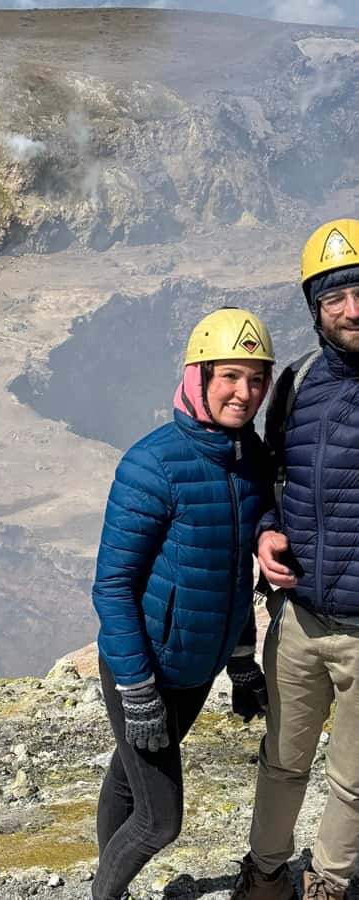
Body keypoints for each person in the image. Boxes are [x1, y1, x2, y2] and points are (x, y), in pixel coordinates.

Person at [90, 308, 275, 900]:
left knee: (128, 782)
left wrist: (242, 660)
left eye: (256, 379)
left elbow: (229, 576)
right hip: (146, 668)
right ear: (198, 378)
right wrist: (137, 688)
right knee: (159, 820)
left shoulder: (251, 461)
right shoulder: (152, 464)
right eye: (229, 376)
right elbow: (112, 587)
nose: (243, 393)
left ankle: (105, 877)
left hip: (197, 669)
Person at [231, 219, 359, 900]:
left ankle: (331, 883)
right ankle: (266, 874)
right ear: (316, 307)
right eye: (335, 296)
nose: (353, 309)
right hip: (301, 618)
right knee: (282, 761)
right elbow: (273, 472)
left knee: (355, 778)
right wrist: (269, 530)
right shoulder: (297, 383)